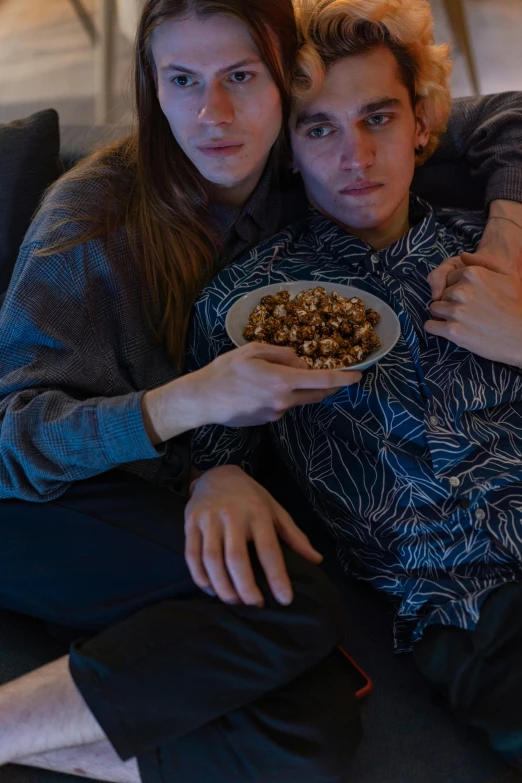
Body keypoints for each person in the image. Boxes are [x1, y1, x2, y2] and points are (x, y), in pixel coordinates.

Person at [0, 0, 521, 780]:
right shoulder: (112, 234)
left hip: (152, 497)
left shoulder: (420, 218)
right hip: (39, 495)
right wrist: (207, 443)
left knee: (306, 739)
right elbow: (19, 444)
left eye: (242, 76)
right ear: (151, 85)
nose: (213, 112)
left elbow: (500, 116)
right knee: (296, 606)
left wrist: (510, 257)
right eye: (182, 79)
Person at [188, 0, 522, 770]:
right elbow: (210, 448)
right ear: (288, 151)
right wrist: (215, 474)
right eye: (320, 128)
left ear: (423, 126)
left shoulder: (497, 246)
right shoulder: (248, 302)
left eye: (378, 118)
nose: (356, 156)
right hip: (466, 611)